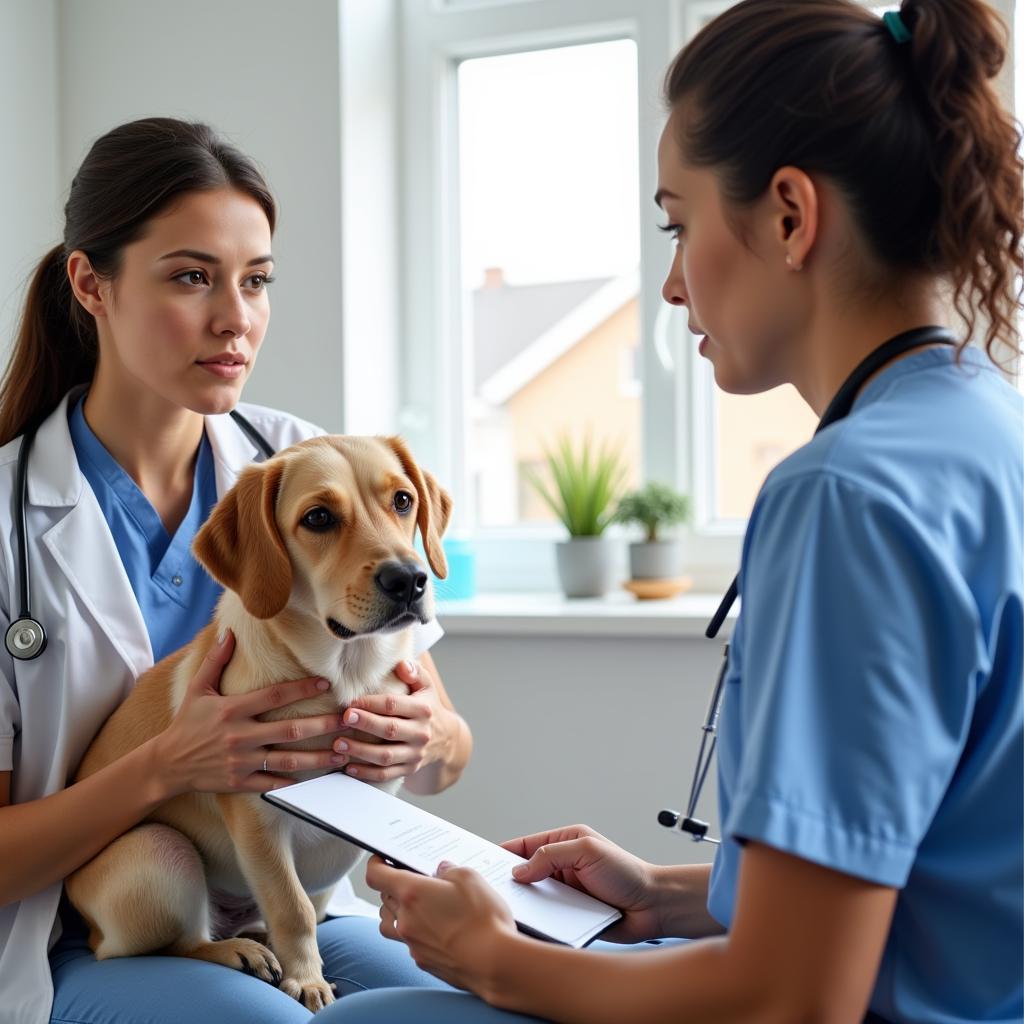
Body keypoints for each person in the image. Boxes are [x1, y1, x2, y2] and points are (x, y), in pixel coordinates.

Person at [323, 1, 1024, 1022]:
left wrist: (493, 958)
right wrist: (658, 896)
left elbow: (792, 995)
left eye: (678, 223)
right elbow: (931, 877)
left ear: (789, 215)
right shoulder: (986, 422)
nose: (669, 283)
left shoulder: (844, 496)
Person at [0, 117, 473, 1024]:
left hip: (301, 896)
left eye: (256, 281)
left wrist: (429, 739)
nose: (236, 318)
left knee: (475, 999)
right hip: (75, 930)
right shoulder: (4, 523)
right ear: (90, 284)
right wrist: (167, 767)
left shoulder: (309, 465)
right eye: (191, 277)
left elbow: (446, 743)